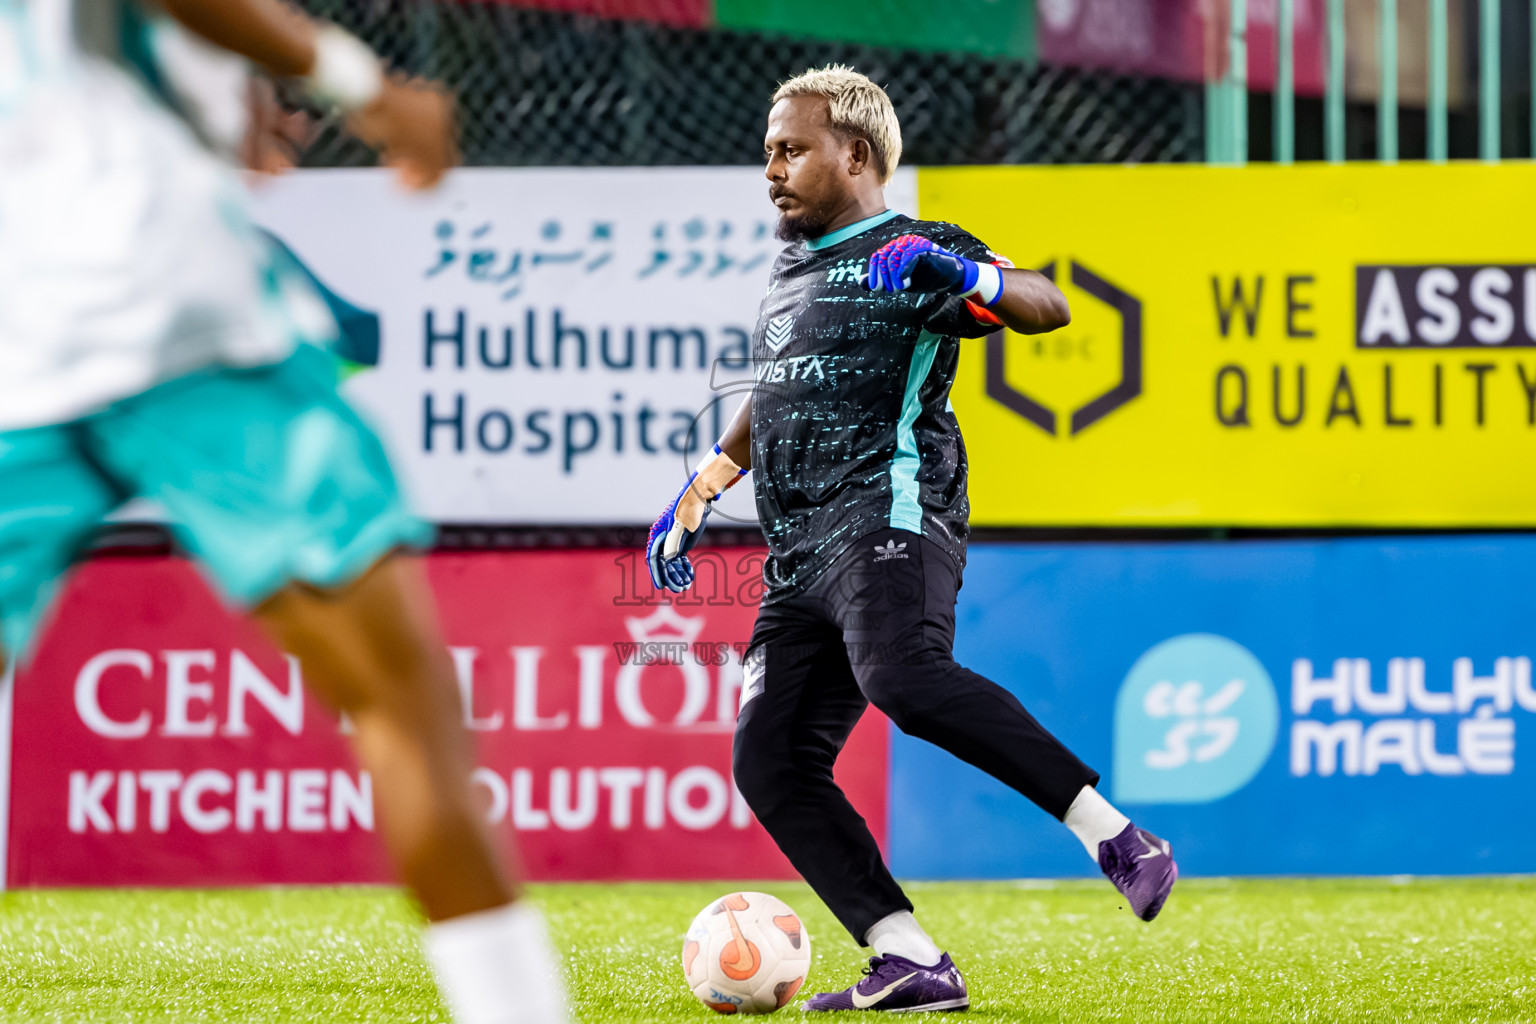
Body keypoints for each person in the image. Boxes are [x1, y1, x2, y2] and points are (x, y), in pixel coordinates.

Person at [0, 3, 564, 1022]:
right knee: (401, 705)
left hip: (17, 331)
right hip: (159, 302)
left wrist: (227, 90)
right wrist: (363, 83)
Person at [646, 65, 1177, 1014]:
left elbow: (1046, 302)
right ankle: (909, 959)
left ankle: (1118, 838)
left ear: (855, 154)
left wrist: (966, 276)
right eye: (768, 152)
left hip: (888, 516)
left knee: (902, 675)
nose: (771, 170)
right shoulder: (792, 269)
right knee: (770, 760)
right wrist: (704, 485)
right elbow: (778, 391)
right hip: (798, 555)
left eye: (791, 150)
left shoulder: (917, 248)